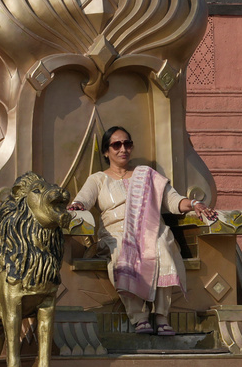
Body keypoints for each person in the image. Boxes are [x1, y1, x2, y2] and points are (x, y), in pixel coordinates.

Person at [67, 126, 217, 335]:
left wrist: (194, 204)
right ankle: (139, 317)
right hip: (116, 233)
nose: (123, 149)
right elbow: (82, 200)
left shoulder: (147, 176)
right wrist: (77, 206)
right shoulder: (98, 179)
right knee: (123, 250)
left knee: (161, 247)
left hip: (151, 229)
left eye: (127, 144)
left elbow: (173, 200)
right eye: (116, 145)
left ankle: (162, 316)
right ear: (106, 151)